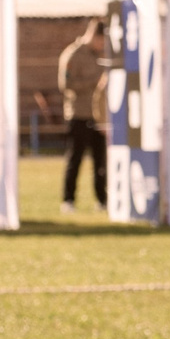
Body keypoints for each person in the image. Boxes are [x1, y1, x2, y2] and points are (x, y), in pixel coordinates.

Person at [56, 20, 108, 214]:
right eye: (101, 41)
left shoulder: (101, 56)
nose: (102, 45)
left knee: (100, 162)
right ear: (94, 36)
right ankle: (68, 201)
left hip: (99, 116)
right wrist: (94, 81)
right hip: (78, 114)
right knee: (75, 160)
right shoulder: (73, 54)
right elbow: (65, 84)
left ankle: (102, 201)